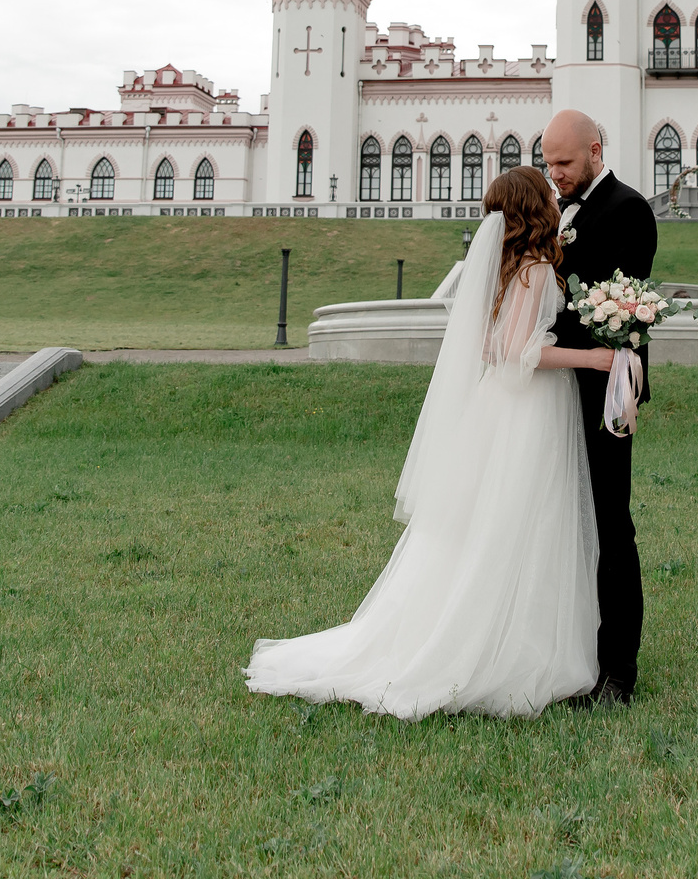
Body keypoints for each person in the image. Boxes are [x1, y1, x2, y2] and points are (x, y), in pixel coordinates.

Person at [243, 166, 619, 718]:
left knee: (491, 527)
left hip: (501, 408)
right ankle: (509, 647)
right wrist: (592, 357)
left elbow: (491, 347)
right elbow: (516, 352)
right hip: (530, 409)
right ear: (538, 208)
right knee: (523, 523)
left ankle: (485, 631)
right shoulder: (537, 270)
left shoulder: (501, 270)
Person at [540, 107, 658, 704]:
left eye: (563, 161)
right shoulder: (557, 210)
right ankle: (573, 651)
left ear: (594, 149)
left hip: (606, 385)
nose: (554, 171)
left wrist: (540, 333)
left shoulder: (629, 209)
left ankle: (619, 671)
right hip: (560, 386)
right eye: (548, 161)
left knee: (612, 523)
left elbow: (613, 304)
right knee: (569, 519)